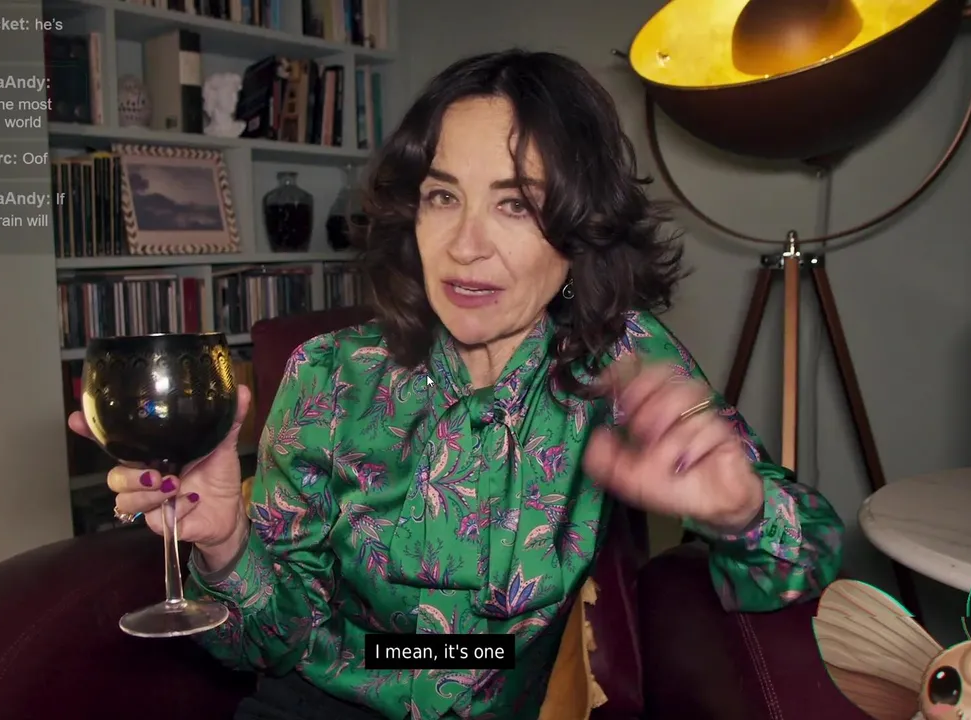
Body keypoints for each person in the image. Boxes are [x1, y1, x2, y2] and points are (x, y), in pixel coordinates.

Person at [70, 49, 844, 719]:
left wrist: (744, 512)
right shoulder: (329, 376)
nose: (465, 244)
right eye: (443, 196)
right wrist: (224, 543)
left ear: (580, 229)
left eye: (516, 203)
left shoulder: (621, 363)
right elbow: (271, 643)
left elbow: (807, 557)